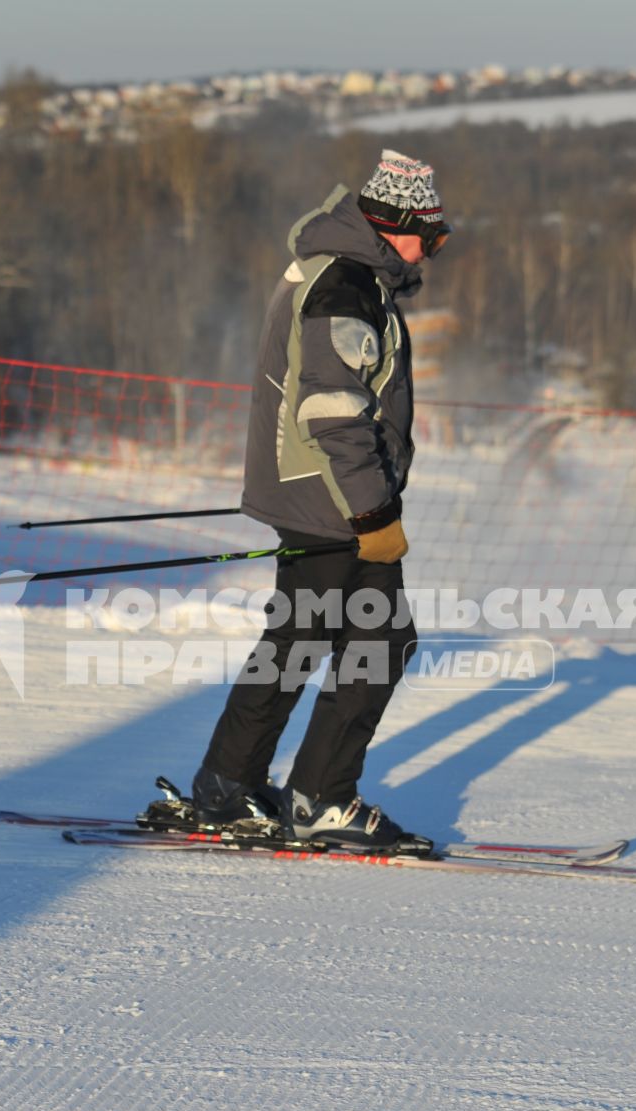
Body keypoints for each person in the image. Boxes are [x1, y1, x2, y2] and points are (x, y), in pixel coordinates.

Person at [186, 149, 450, 851]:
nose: (432, 248)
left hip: (316, 492)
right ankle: (320, 796)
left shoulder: (339, 272)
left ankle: (227, 785)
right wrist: (375, 514)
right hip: (335, 498)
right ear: (393, 224)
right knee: (379, 642)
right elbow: (332, 411)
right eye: (430, 232)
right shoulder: (347, 285)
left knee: (300, 639)